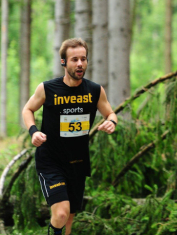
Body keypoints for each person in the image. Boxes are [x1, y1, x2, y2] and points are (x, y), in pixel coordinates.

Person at [22, 38, 117, 235]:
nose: (80, 64)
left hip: (77, 161)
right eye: (74, 59)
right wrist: (34, 131)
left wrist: (111, 122)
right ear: (64, 62)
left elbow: (111, 113)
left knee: (69, 221)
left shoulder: (94, 90)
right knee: (61, 214)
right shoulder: (48, 89)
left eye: (83, 59)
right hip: (51, 161)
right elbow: (27, 109)